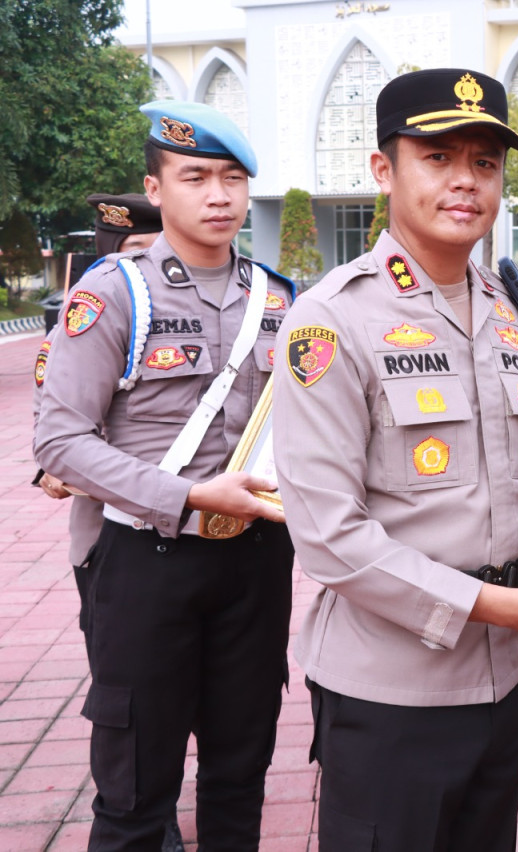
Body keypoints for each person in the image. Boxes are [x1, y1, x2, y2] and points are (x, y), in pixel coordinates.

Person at [271, 68, 518, 850]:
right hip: (392, 689)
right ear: (384, 171)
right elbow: (328, 538)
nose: (466, 181)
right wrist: (502, 608)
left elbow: (497, 479)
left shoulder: (504, 313)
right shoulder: (332, 321)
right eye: (438, 157)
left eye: (485, 163)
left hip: (501, 678)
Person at [33, 101, 295, 850]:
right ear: (157, 186)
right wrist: (183, 496)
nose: (218, 196)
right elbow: (59, 441)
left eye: (232, 179)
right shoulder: (113, 292)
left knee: (240, 776)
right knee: (137, 793)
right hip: (146, 562)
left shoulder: (279, 299)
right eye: (195, 178)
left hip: (254, 560)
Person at [31, 191, 184, 852]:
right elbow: (52, 442)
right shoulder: (86, 323)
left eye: (157, 253)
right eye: (132, 255)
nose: (147, 268)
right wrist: (56, 472)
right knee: (132, 708)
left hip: (210, 547)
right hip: (112, 544)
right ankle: (146, 817)